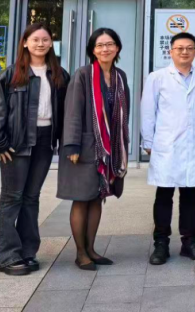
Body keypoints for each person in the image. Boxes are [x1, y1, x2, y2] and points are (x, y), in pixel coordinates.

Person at [0, 23, 70, 275]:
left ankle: (27, 251)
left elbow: (65, 112)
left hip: (45, 140)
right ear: (25, 42)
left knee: (31, 197)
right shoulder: (10, 75)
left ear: (51, 44)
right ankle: (7, 256)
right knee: (11, 197)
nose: (40, 44)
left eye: (45, 39)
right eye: (35, 39)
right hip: (16, 142)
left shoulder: (59, 75)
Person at [57, 28, 130, 271]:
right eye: (99, 45)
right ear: (92, 50)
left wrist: (121, 147)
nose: (105, 49)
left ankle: (91, 249)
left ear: (117, 48)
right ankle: (81, 253)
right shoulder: (83, 74)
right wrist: (72, 145)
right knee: (81, 199)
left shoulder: (120, 76)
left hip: (109, 151)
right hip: (83, 147)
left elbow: (123, 115)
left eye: (110, 44)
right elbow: (72, 111)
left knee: (97, 198)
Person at [142, 32, 195, 265]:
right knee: (164, 195)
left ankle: (189, 242)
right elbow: (148, 111)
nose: (184, 52)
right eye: (180, 48)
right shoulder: (158, 77)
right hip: (167, 146)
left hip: (193, 145)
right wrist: (149, 142)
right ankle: (161, 243)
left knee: (190, 196)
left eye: (189, 48)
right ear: (170, 51)